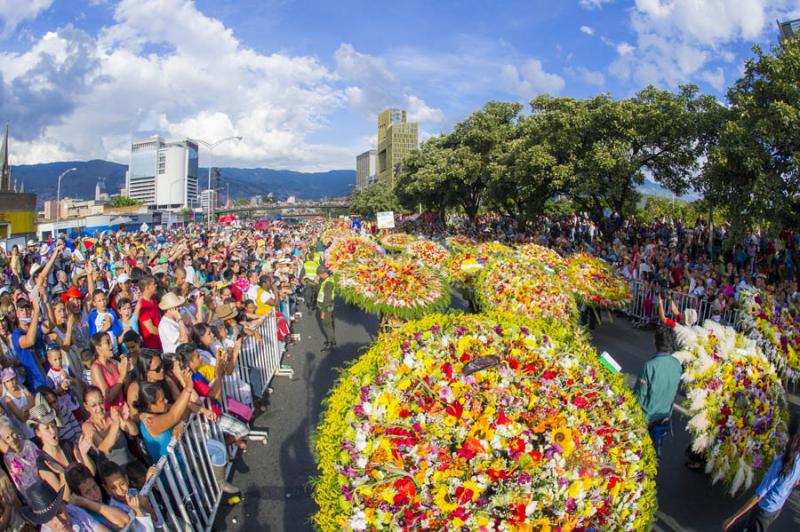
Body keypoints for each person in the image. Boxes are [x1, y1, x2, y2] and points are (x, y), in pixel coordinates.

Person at [723, 415, 800, 531]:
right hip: (776, 508)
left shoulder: (780, 462)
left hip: (763, 511)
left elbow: (758, 496)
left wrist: (733, 518)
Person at [634, 327, 681, 459]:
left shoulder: (649, 366)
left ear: (655, 342)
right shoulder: (677, 364)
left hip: (648, 417)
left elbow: (640, 396)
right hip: (665, 415)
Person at [316, 266, 336, 351]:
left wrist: (323, 311)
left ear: (322, 273)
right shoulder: (328, 280)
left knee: (327, 325)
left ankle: (330, 343)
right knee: (330, 324)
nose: (318, 276)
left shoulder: (327, 283)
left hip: (326, 307)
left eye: (319, 275)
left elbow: (327, 298)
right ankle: (332, 340)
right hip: (329, 306)